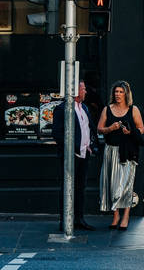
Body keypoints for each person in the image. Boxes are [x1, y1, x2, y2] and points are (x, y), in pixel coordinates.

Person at [97, 80, 144, 230]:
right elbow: (99, 129)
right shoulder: (107, 109)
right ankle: (116, 215)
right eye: (116, 92)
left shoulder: (133, 109)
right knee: (112, 185)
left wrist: (130, 132)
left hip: (128, 151)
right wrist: (110, 128)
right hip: (111, 150)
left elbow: (141, 128)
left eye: (121, 92)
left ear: (126, 94)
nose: (117, 94)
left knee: (126, 185)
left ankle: (126, 216)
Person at [52, 81, 98, 231]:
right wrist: (70, 150)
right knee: (67, 187)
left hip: (84, 154)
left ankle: (79, 219)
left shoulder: (84, 107)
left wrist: (90, 145)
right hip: (70, 155)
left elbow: (88, 128)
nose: (85, 92)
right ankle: (65, 220)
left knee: (80, 188)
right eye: (83, 89)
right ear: (76, 91)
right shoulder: (62, 109)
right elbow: (57, 133)